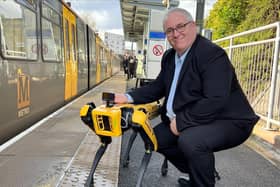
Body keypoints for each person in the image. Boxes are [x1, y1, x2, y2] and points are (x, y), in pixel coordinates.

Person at [114, 8, 259, 187]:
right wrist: (126, 97)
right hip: (199, 117)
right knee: (154, 136)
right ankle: (201, 173)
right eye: (169, 30)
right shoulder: (169, 57)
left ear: (193, 26)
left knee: (191, 141)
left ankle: (202, 182)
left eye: (181, 26)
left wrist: (182, 121)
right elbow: (157, 87)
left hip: (230, 120)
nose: (176, 33)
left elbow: (216, 99)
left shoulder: (212, 54)